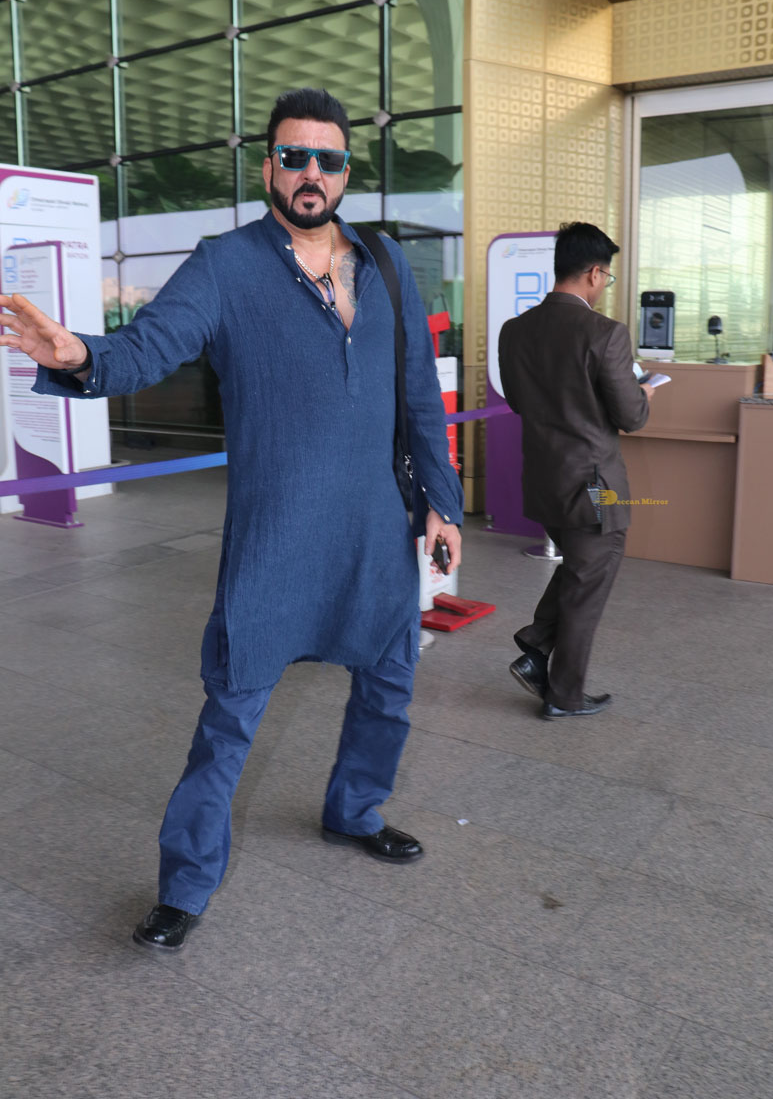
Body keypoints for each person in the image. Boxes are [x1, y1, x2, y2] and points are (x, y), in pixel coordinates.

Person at [0, 87, 463, 950]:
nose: (311, 173)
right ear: (268, 166)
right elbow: (146, 348)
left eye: (328, 159)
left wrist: (442, 503)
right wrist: (77, 354)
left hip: (376, 528)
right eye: (294, 156)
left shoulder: (385, 262)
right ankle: (185, 884)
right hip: (277, 536)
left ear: (346, 172)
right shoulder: (225, 265)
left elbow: (417, 400)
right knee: (231, 713)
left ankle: (356, 811)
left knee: (389, 685)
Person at [498, 221, 652, 720]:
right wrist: (645, 393)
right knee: (591, 579)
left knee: (581, 570)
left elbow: (519, 401)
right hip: (594, 488)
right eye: (606, 277)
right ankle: (563, 695)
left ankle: (536, 645)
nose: (604, 285)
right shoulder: (606, 334)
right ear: (593, 273)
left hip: (544, 482)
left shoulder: (515, 331)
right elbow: (631, 416)